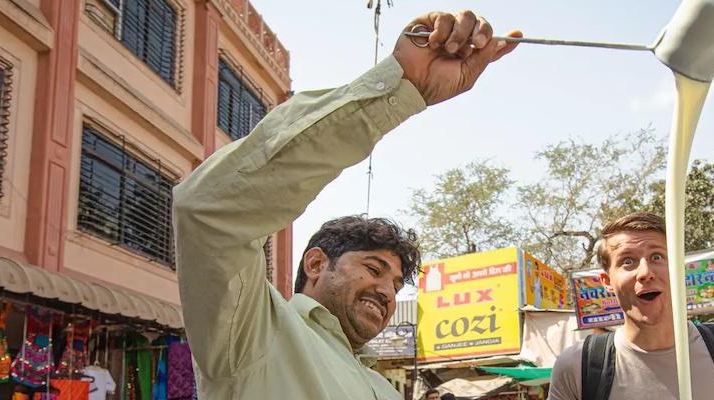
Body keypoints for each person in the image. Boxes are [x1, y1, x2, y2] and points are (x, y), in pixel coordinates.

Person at [172, 10, 520, 399]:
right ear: (316, 264)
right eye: (374, 269)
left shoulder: (381, 387)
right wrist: (402, 87)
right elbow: (209, 208)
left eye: (396, 283)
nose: (387, 292)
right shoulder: (255, 333)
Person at [549, 212, 714, 400]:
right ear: (607, 281)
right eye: (627, 261)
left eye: (657, 257)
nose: (646, 273)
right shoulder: (577, 367)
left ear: (679, 268)